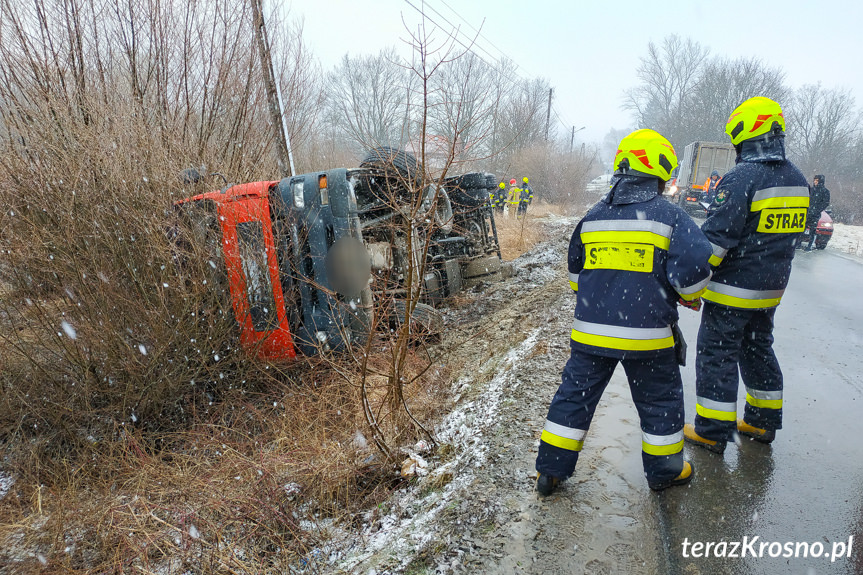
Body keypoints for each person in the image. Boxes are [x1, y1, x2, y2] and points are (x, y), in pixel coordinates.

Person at [535, 129, 713, 495]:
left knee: (574, 396)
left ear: (620, 168)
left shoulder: (593, 216)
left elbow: (575, 276)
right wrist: (686, 294)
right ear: (662, 173)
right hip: (648, 337)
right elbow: (695, 269)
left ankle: (550, 470)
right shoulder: (670, 217)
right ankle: (665, 471)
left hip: (590, 334)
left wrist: (602, 299)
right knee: (660, 400)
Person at [684, 97, 809, 454]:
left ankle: (711, 430)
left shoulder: (742, 178)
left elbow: (716, 242)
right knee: (757, 349)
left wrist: (691, 284)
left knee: (716, 355)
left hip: (732, 291)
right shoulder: (797, 178)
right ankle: (761, 421)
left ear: (745, 134)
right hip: (771, 289)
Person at [800, 174, 831, 251]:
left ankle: (809, 246)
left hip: (815, 214)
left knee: (812, 231)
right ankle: (798, 244)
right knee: (802, 229)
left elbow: (826, 203)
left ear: (820, 181)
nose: (815, 182)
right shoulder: (811, 189)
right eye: (814, 180)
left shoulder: (825, 192)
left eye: (817, 180)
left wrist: (817, 210)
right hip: (807, 213)